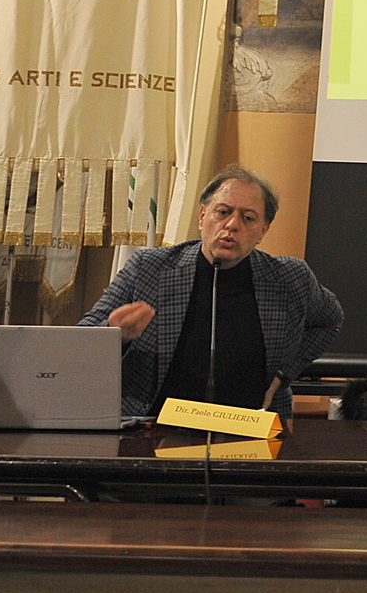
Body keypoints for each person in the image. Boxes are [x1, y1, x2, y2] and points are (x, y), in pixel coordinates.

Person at [78, 166, 343, 419]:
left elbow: (331, 321)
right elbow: (79, 341)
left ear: (263, 231)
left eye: (248, 218)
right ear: (202, 216)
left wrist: (284, 375)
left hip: (250, 429)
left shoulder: (289, 278)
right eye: (223, 212)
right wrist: (116, 333)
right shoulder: (149, 268)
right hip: (154, 426)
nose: (232, 225)